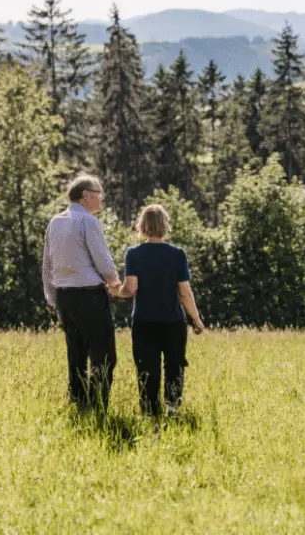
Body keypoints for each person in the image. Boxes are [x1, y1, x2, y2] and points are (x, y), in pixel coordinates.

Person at [42, 174, 122, 412]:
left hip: (65, 297)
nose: (102, 200)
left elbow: (47, 264)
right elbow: (103, 259)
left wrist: (52, 297)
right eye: (99, 195)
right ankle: (97, 407)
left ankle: (79, 404)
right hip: (90, 297)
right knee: (104, 356)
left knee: (75, 354)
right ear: (85, 195)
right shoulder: (88, 222)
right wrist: (115, 283)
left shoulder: (55, 222)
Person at [115, 204, 204, 417]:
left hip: (144, 322)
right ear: (165, 225)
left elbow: (131, 289)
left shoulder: (133, 254)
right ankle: (173, 408)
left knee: (147, 367)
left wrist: (117, 291)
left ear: (142, 226)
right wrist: (196, 320)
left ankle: (149, 412)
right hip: (173, 321)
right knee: (174, 365)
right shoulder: (177, 254)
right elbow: (184, 292)